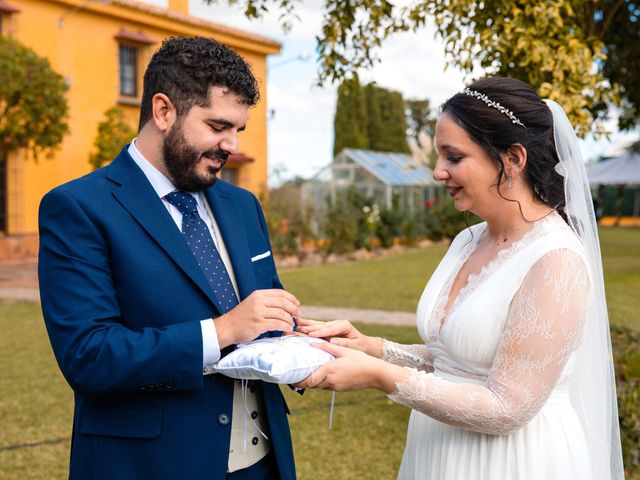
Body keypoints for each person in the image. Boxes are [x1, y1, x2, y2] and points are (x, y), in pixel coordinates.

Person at [295, 77, 624, 479]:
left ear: (513, 159)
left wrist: (380, 376)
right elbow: (454, 359)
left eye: (453, 157)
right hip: (439, 451)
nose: (437, 172)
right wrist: (374, 348)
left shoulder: (556, 260)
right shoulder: (467, 240)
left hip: (514, 461)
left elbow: (509, 408)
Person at [39, 36, 300, 479]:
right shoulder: (78, 208)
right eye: (218, 126)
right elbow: (89, 356)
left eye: (238, 130)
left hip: (263, 463)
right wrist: (222, 330)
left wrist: (302, 340)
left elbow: (264, 308)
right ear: (163, 111)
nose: (232, 145)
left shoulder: (242, 205)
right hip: (152, 465)